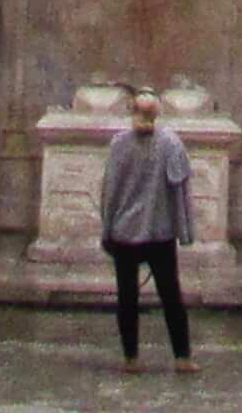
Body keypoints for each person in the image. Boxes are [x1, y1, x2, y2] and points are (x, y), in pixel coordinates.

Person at [98, 88, 196, 372]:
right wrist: (185, 231)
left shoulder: (119, 144)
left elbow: (110, 192)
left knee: (127, 296)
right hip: (159, 232)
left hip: (125, 233)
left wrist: (106, 230)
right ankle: (182, 357)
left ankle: (131, 358)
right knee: (171, 295)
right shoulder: (171, 143)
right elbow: (180, 191)